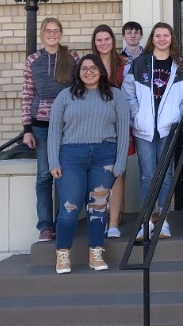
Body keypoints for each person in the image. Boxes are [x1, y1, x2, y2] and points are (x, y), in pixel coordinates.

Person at [48, 54, 130, 274]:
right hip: (71, 156)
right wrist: (53, 160)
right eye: (84, 68)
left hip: (105, 156)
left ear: (101, 71)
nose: (89, 72)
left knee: (97, 207)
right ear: (78, 72)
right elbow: (54, 130)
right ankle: (63, 254)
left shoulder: (115, 95)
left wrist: (120, 163)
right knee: (70, 207)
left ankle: (95, 251)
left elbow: (124, 131)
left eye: (93, 68)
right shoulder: (65, 96)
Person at [123, 22, 183, 241]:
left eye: (166, 35)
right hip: (144, 129)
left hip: (168, 129)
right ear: (152, 38)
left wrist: (178, 115)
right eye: (158, 35)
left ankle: (162, 222)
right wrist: (136, 115)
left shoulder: (181, 66)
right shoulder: (140, 63)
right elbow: (128, 91)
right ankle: (145, 222)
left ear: (171, 38)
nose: (162, 39)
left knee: (166, 175)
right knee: (147, 175)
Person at [21, 17, 79, 242]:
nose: (52, 34)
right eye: (48, 31)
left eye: (56, 31)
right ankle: (45, 226)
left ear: (61, 34)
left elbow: (78, 90)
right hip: (41, 126)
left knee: (65, 175)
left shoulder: (72, 57)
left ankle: (62, 222)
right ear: (42, 33)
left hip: (67, 125)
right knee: (45, 176)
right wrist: (26, 128)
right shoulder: (33, 60)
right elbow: (27, 94)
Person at [90, 24, 128, 239]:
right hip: (95, 124)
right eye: (99, 40)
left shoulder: (123, 63)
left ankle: (114, 221)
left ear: (113, 41)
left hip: (118, 123)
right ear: (94, 43)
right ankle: (101, 219)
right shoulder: (87, 64)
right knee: (98, 173)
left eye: (107, 39)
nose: (103, 43)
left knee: (117, 170)